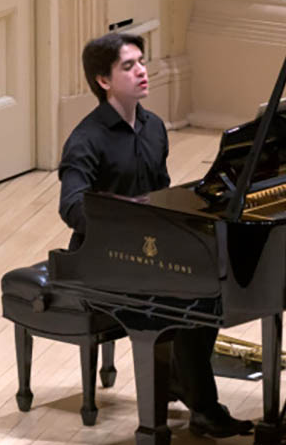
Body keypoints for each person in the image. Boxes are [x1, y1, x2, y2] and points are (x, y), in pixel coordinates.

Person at [58, 32, 253, 438]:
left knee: (208, 287)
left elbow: (161, 191)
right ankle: (202, 406)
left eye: (141, 62)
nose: (141, 71)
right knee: (188, 299)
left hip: (148, 247)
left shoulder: (153, 127)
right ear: (104, 81)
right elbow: (72, 207)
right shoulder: (86, 140)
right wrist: (124, 221)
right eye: (128, 66)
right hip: (102, 259)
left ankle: (183, 386)